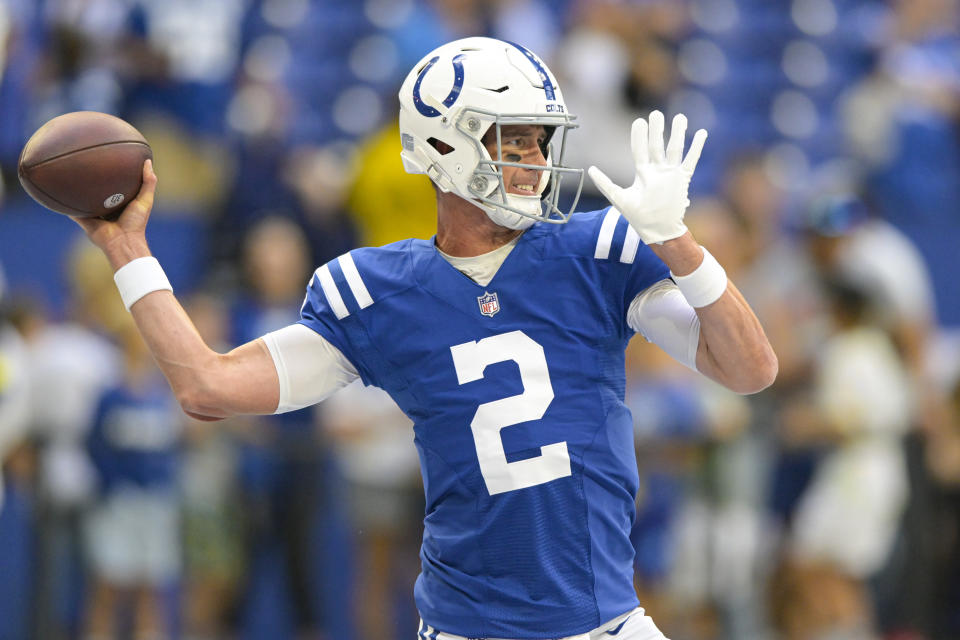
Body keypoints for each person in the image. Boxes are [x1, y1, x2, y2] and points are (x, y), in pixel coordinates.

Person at [69, 37, 776, 640]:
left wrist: (680, 245)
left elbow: (750, 370)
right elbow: (208, 386)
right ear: (446, 146)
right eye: (514, 140)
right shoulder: (379, 291)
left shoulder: (595, 251)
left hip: (607, 621)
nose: (535, 159)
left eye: (540, 139)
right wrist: (128, 249)